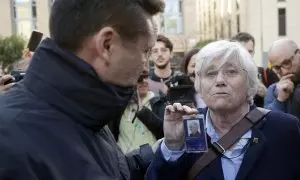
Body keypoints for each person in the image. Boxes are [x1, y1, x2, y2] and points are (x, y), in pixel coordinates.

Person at [0, 0, 164, 180]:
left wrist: (167, 148)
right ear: (107, 45)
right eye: (146, 51)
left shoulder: (88, 110)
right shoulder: (9, 144)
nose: (145, 68)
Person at [146, 40, 300, 180]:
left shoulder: (285, 130)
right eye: (211, 73)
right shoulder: (187, 127)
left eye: (231, 71)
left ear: (250, 82)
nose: (219, 80)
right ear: (199, 85)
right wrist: (172, 146)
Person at [231, 32, 279, 107]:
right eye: (242, 51)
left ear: (254, 52)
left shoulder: (266, 73)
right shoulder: (224, 77)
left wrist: (266, 93)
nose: (246, 55)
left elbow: (283, 103)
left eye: (250, 51)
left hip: (263, 117)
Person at [264, 39, 300, 119]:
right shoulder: (273, 90)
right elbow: (269, 125)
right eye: (277, 67)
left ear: (298, 54)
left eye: (286, 63)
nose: (284, 72)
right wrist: (280, 100)